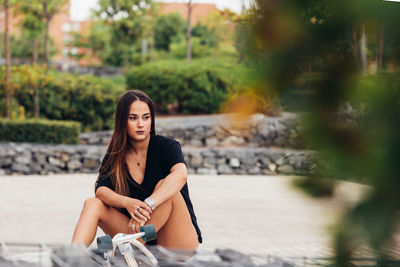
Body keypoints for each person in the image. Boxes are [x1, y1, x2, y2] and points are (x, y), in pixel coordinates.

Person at [71, 90, 202, 250]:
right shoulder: (116, 154)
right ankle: (72, 256)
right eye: (133, 118)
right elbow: (101, 191)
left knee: (167, 186)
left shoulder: (167, 146)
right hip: (136, 233)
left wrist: (147, 206)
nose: (141, 124)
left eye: (146, 117)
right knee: (92, 204)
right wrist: (128, 203)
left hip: (176, 241)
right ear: (122, 121)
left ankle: (131, 246)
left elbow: (181, 175)